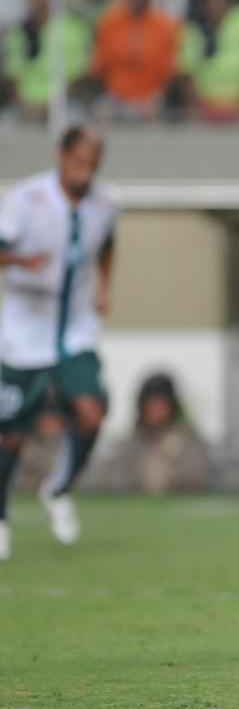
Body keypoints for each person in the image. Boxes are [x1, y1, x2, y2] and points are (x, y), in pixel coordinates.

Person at [0, 126, 117, 561]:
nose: (85, 170)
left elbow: (107, 243)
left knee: (91, 412)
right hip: (24, 332)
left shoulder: (105, 204)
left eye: (93, 161)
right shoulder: (26, 199)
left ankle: (59, 487)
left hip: (74, 331)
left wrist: (104, 286)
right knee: (10, 434)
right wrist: (20, 261)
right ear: (61, 155)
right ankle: (1, 518)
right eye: (79, 159)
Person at [84, 371, 211, 495]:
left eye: (161, 404)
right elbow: (111, 480)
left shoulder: (188, 440)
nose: (155, 410)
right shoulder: (131, 444)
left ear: (171, 406)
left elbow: (199, 477)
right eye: (151, 404)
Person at [91, 0, 181, 121]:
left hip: (152, 99)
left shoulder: (165, 25)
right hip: (116, 98)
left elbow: (171, 72)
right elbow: (99, 67)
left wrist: (156, 97)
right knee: (99, 113)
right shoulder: (109, 23)